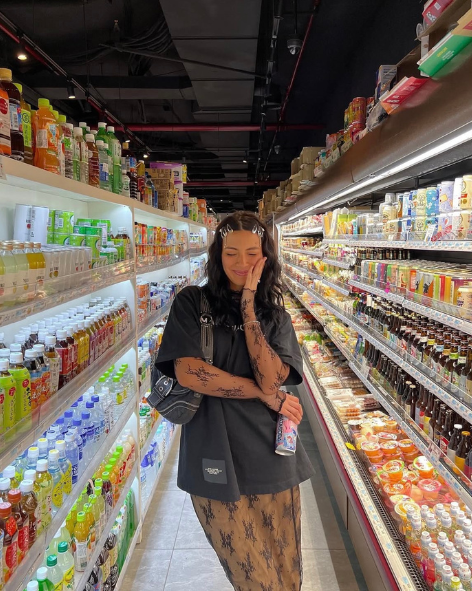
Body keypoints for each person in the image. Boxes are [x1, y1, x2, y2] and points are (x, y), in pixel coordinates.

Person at [154, 211, 314, 590]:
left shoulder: (275, 317)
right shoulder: (192, 303)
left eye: (252, 253)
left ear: (266, 256)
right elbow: (190, 372)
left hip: (273, 460)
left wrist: (248, 307)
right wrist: (262, 395)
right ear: (217, 255)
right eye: (231, 253)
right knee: (254, 579)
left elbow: (271, 378)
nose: (242, 263)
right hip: (214, 457)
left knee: (288, 577)